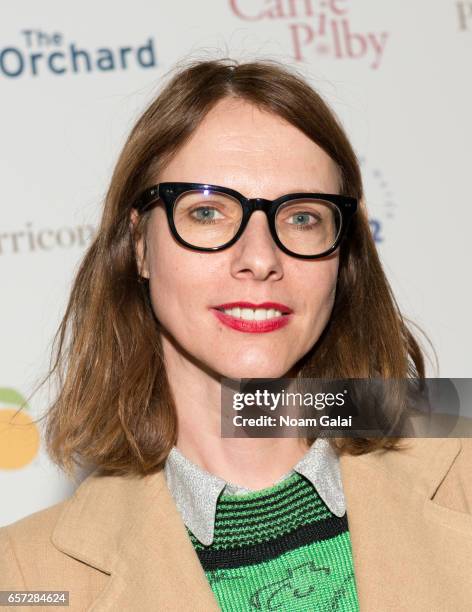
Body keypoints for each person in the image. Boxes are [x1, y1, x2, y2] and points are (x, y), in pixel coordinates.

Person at [1, 58, 471, 612]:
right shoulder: (26, 577)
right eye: (207, 212)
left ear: (342, 254)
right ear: (139, 246)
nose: (259, 259)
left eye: (302, 217)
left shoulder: (458, 460)